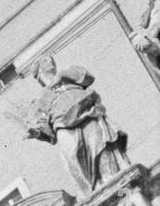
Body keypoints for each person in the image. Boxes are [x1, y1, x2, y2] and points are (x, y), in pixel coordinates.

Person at [24, 55, 129, 197]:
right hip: (63, 127)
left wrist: (62, 76)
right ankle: (95, 193)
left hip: (87, 114)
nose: (49, 62)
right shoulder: (39, 99)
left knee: (100, 148)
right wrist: (36, 133)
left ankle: (117, 186)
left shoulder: (69, 73)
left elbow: (87, 77)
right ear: (38, 73)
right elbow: (44, 127)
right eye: (44, 61)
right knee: (74, 158)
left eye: (50, 59)